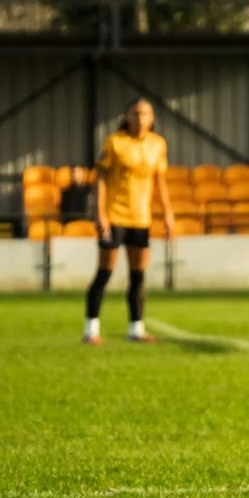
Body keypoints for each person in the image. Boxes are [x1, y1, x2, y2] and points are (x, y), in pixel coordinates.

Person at [84, 98, 176, 346]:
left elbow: (160, 182)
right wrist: (100, 213)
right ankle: (91, 330)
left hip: (141, 218)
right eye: (135, 113)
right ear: (126, 117)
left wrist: (167, 212)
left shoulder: (158, 145)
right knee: (105, 272)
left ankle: (136, 329)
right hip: (115, 216)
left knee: (138, 275)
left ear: (152, 118)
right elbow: (100, 178)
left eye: (145, 113)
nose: (140, 118)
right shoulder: (114, 142)